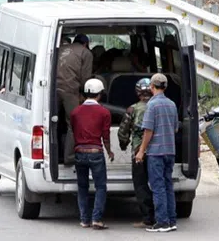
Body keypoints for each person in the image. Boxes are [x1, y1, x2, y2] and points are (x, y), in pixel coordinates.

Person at [135, 73, 179, 233]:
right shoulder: (172, 104)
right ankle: (171, 220)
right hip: (170, 151)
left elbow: (148, 130)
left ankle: (161, 222)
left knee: (158, 187)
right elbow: (175, 128)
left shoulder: (151, 106)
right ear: (165, 87)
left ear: (152, 87)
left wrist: (141, 151)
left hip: (156, 153)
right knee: (168, 186)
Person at [70, 78, 114, 230]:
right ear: (100, 94)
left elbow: (74, 130)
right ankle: (96, 219)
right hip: (96, 153)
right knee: (100, 187)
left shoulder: (75, 112)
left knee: (82, 187)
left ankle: (84, 220)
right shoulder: (104, 112)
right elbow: (105, 136)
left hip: (79, 152)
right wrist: (109, 151)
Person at [117, 78, 155, 228]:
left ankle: (147, 218)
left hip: (139, 152)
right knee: (158, 185)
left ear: (138, 92)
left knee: (141, 185)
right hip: (157, 151)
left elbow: (123, 132)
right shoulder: (157, 106)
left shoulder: (132, 109)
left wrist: (123, 145)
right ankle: (162, 215)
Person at [56, 33, 93, 165]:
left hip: (52, 90)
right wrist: (84, 95)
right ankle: (69, 157)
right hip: (70, 90)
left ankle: (54, 156)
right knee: (73, 123)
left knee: (52, 122)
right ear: (85, 44)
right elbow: (86, 79)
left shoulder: (59, 49)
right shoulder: (86, 53)